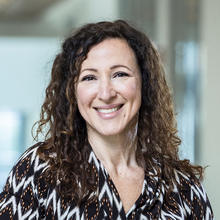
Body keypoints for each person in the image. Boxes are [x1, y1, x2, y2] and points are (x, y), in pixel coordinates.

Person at [0, 20, 213, 219]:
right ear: (71, 92)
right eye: (89, 77)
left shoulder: (183, 187)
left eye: (120, 74)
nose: (105, 93)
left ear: (144, 83)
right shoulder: (41, 172)